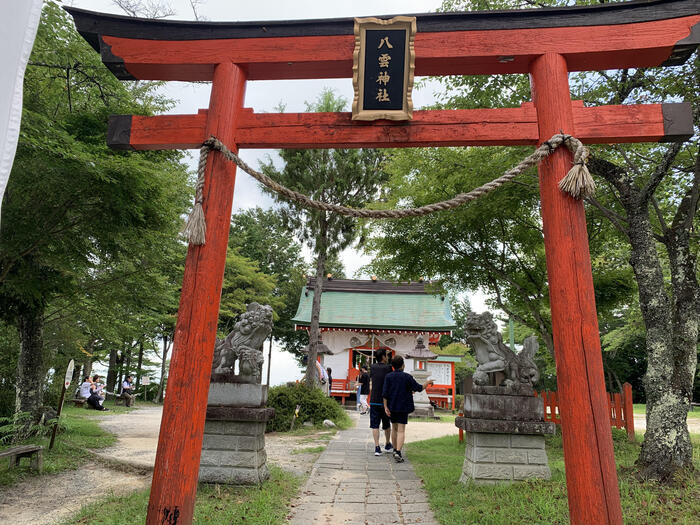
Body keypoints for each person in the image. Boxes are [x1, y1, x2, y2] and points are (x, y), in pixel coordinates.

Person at [382, 355, 433, 463]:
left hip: (392, 406)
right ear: (402, 365)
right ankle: (398, 452)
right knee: (401, 430)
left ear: (392, 366)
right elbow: (419, 388)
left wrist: (386, 406)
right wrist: (427, 383)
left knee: (394, 428)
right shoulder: (407, 377)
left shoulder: (388, 377)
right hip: (403, 407)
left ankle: (395, 449)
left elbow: (385, 394)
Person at [368, 349, 393, 456]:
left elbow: (371, 382)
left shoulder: (372, 367)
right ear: (383, 357)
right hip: (385, 401)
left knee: (375, 425)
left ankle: (377, 447)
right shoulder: (388, 368)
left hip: (374, 400)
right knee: (387, 424)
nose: (387, 357)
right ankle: (387, 444)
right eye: (386, 355)